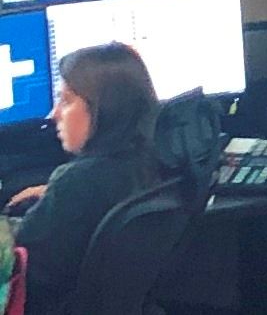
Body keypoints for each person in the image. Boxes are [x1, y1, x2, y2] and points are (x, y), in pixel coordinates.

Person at [4, 43, 161, 315]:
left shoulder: (76, 183)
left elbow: (19, 260)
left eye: (66, 101)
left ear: (102, 109)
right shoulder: (151, 161)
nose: (54, 115)